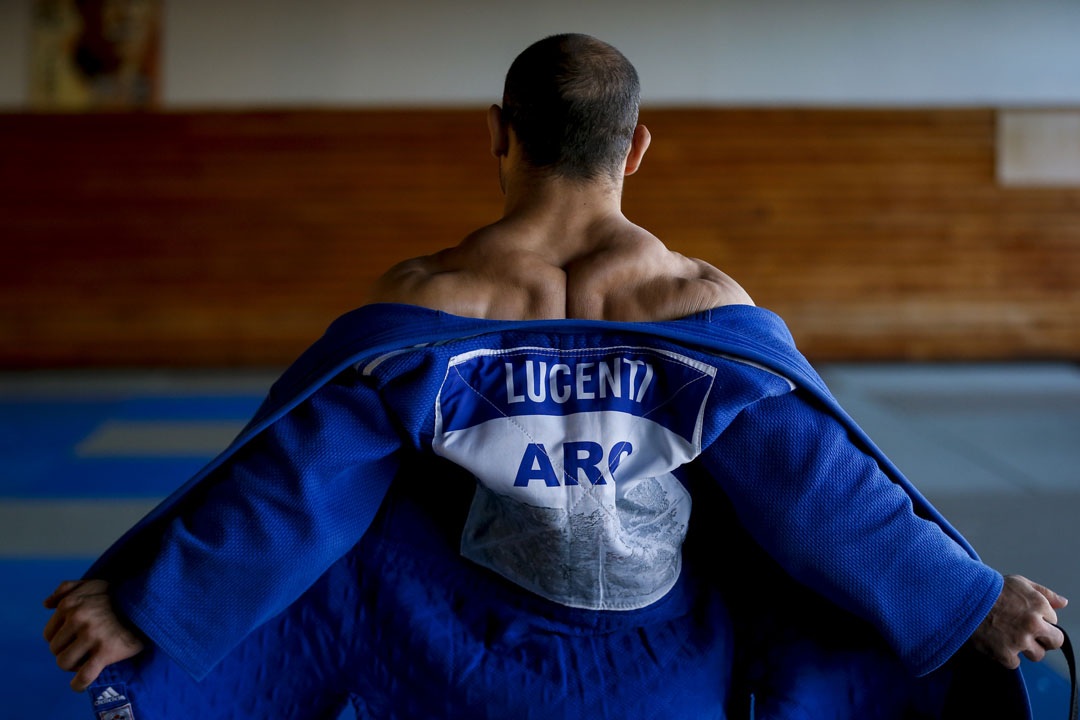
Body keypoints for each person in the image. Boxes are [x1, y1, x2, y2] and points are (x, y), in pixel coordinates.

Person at [43, 33, 1067, 719]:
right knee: (771, 544)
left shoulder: (430, 300)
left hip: (463, 660)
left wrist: (149, 606)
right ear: (639, 148)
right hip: (672, 671)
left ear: (499, 134)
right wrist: (970, 598)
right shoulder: (703, 305)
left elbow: (295, 490)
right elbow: (822, 498)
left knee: (350, 531)